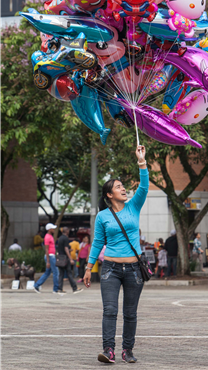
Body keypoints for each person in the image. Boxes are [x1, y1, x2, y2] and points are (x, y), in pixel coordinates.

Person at [83, 145, 148, 364]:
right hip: (110, 268)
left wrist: (141, 161)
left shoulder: (134, 207)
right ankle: (108, 351)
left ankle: (127, 350)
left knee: (130, 313)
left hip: (133, 270)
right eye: (118, 187)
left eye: (123, 186)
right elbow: (97, 243)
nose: (123, 189)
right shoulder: (102, 216)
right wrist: (88, 267)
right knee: (109, 310)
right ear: (109, 194)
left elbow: (144, 187)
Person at [34, 223, 58, 294]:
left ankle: (36, 285)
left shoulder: (49, 236)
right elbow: (46, 249)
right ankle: (55, 289)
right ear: (49, 229)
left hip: (51, 256)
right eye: (52, 228)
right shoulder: (47, 237)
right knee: (56, 272)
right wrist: (48, 261)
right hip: (50, 256)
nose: (54, 229)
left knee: (47, 273)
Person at [57, 227, 82, 294]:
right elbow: (65, 248)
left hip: (60, 257)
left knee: (61, 274)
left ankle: (60, 289)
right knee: (69, 273)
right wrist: (70, 259)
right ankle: (74, 288)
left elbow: (62, 248)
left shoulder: (60, 238)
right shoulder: (65, 238)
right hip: (65, 258)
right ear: (67, 231)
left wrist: (69, 250)